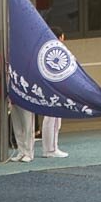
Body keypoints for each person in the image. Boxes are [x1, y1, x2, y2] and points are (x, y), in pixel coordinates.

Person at [41, 27, 69, 158]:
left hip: (50, 89)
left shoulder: (46, 49)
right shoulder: (54, 51)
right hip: (54, 89)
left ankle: (49, 148)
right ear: (60, 37)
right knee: (53, 120)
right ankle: (51, 149)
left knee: (51, 119)